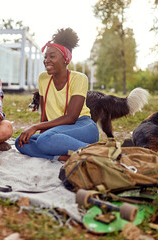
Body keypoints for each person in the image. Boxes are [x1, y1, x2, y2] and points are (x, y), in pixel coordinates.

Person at [15, 28, 99, 161]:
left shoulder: (79, 78)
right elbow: (44, 115)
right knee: (20, 142)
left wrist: (36, 127)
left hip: (83, 126)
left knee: (44, 140)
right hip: (57, 131)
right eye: (46, 57)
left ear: (66, 59)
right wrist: (43, 131)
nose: (46, 60)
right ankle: (64, 157)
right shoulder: (43, 78)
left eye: (52, 56)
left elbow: (71, 118)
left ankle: (97, 152)